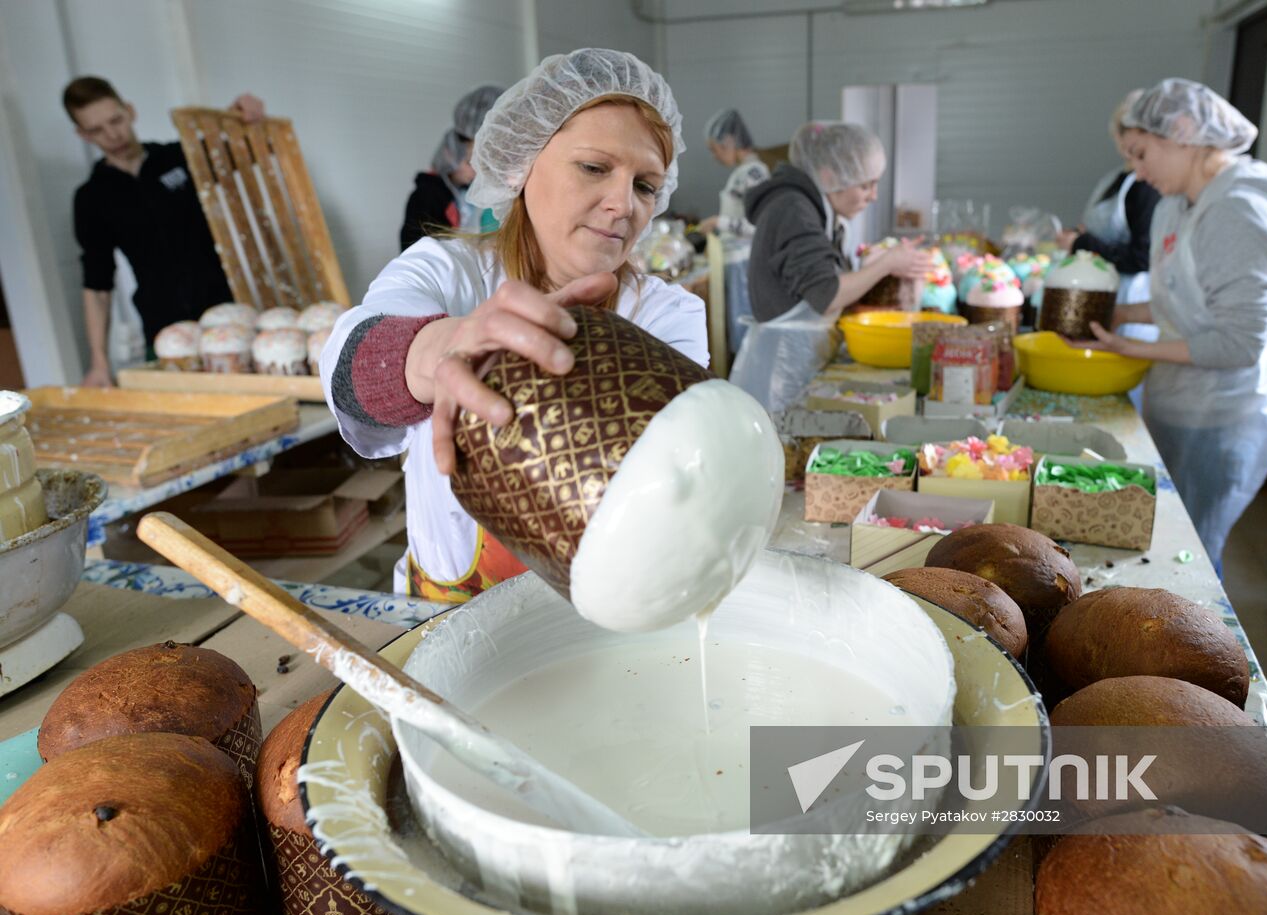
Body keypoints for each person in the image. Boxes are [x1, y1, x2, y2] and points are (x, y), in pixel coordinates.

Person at [321, 48, 705, 602]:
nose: (623, 205)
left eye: (646, 185)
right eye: (595, 168)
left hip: (597, 616)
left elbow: (656, 475)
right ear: (519, 166)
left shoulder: (665, 314)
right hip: (445, 612)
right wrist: (443, 349)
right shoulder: (446, 270)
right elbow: (349, 368)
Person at [1073, 78, 1267, 574]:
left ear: (1182, 132)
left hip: (1222, 412)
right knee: (1166, 536)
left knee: (1192, 554)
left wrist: (1132, 350)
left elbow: (1238, 342)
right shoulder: (1178, 205)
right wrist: (1117, 317)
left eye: (1140, 153)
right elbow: (1182, 304)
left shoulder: (1241, 212)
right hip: (1176, 395)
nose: (1136, 169)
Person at [65, 76, 264, 386]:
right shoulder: (92, 197)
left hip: (226, 319)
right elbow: (97, 286)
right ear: (82, 134)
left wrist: (241, 118)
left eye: (115, 120)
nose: (112, 134)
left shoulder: (180, 158)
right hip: (164, 333)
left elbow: (241, 151)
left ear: (130, 111)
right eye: (96, 130)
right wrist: (99, 363)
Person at [733, 121, 930, 411]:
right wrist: (886, 264)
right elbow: (827, 294)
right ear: (829, 176)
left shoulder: (812, 208)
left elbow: (821, 276)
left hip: (799, 359)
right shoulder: (794, 209)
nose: (873, 196)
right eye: (866, 185)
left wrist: (868, 266)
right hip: (780, 369)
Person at [1056, 89, 1161, 308]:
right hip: (1102, 289)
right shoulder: (1114, 178)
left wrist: (1081, 243)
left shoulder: (1147, 186)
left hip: (1129, 296)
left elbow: (1142, 256)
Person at [399, 84, 504, 251]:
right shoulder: (428, 197)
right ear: (449, 154)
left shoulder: (464, 194)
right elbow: (414, 253)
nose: (477, 172)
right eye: (470, 162)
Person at [696, 108, 769, 239]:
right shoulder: (743, 172)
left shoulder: (754, 172)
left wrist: (717, 222)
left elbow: (759, 225)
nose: (714, 156)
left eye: (714, 149)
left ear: (728, 142)